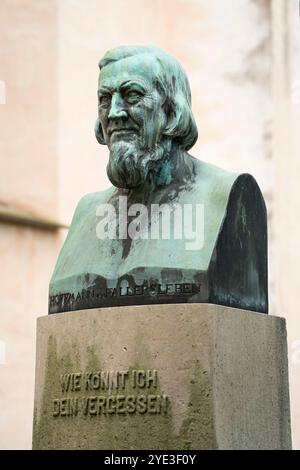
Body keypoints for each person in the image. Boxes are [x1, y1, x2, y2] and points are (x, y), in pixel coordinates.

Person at [49, 45, 268, 314]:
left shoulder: (227, 195)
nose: (114, 112)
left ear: (172, 110)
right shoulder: (87, 212)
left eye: (132, 95)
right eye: (105, 99)